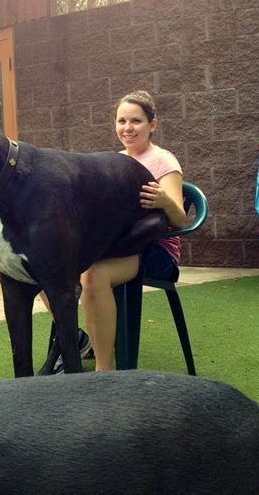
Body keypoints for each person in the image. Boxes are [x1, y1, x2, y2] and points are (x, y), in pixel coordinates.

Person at [80, 89, 186, 371]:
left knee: (93, 276)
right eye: (121, 121)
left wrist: (165, 201)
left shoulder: (163, 161)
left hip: (155, 251)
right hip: (117, 246)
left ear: (152, 125)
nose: (127, 128)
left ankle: (105, 372)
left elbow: (181, 220)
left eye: (136, 121)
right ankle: (84, 340)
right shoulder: (113, 161)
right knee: (48, 266)